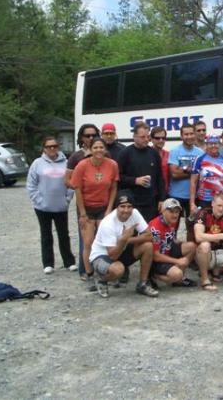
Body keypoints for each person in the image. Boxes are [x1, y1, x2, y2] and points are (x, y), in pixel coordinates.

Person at [88, 192, 160, 298]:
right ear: (116, 207)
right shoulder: (108, 223)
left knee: (148, 246)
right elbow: (112, 256)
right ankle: (101, 279)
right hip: (102, 256)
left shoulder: (135, 213)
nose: (126, 210)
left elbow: (149, 236)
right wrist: (123, 239)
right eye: (122, 206)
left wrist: (127, 239)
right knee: (118, 270)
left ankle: (142, 284)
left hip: (121, 248)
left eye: (129, 206)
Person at [70, 137, 119, 290]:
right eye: (95, 147)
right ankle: (90, 273)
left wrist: (109, 209)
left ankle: (106, 272)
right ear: (91, 150)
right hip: (87, 207)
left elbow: (113, 188)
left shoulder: (112, 165)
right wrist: (83, 214)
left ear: (105, 149)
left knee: (107, 242)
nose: (99, 150)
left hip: (104, 207)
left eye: (101, 147)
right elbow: (77, 189)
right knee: (88, 242)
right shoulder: (82, 165)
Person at [27, 137, 77, 274]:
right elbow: (31, 185)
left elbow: (71, 182)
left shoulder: (66, 163)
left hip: (60, 206)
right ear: (44, 148)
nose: (52, 148)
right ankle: (48, 263)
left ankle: (69, 262)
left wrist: (67, 198)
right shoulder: (37, 164)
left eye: (54, 146)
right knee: (46, 234)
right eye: (49, 146)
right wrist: (39, 200)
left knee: (64, 234)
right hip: (43, 207)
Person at [65, 123, 99, 277]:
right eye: (87, 135)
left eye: (93, 135)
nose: (91, 138)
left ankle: (100, 270)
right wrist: (82, 186)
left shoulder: (102, 154)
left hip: (101, 204)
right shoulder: (76, 157)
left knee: (101, 237)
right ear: (81, 138)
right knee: (86, 240)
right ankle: (84, 270)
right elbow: (67, 180)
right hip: (84, 204)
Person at [117, 122, 166, 222]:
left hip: (151, 201)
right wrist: (135, 180)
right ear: (134, 137)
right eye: (142, 137)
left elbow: (160, 177)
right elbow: (118, 177)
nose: (146, 139)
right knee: (132, 233)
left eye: (147, 136)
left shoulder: (153, 153)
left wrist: (162, 199)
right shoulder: (125, 153)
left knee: (150, 232)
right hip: (132, 202)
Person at [146, 198, 198, 288]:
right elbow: (155, 256)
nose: (175, 214)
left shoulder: (171, 220)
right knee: (177, 274)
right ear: (163, 211)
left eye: (177, 211)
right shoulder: (155, 229)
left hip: (167, 249)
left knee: (191, 246)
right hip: (155, 260)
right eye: (171, 211)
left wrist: (179, 242)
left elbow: (170, 236)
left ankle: (178, 279)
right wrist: (177, 261)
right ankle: (153, 275)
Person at [189, 135, 223, 215]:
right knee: (202, 224)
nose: (213, 146)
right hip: (205, 201)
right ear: (206, 145)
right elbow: (193, 182)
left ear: (220, 145)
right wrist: (192, 203)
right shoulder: (200, 159)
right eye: (210, 144)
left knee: (222, 226)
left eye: (216, 143)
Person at [168, 124, 204, 217]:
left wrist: (183, 169)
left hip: (194, 197)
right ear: (181, 136)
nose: (189, 136)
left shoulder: (200, 153)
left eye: (191, 133)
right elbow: (174, 174)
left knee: (192, 226)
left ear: (195, 134)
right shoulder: (175, 151)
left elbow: (202, 174)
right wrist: (194, 172)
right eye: (186, 134)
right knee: (173, 226)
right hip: (176, 195)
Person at [150, 126, 170, 196]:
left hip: (166, 192)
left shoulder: (168, 154)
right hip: (150, 193)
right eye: (157, 138)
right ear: (151, 139)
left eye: (163, 138)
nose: (161, 140)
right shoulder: (147, 154)